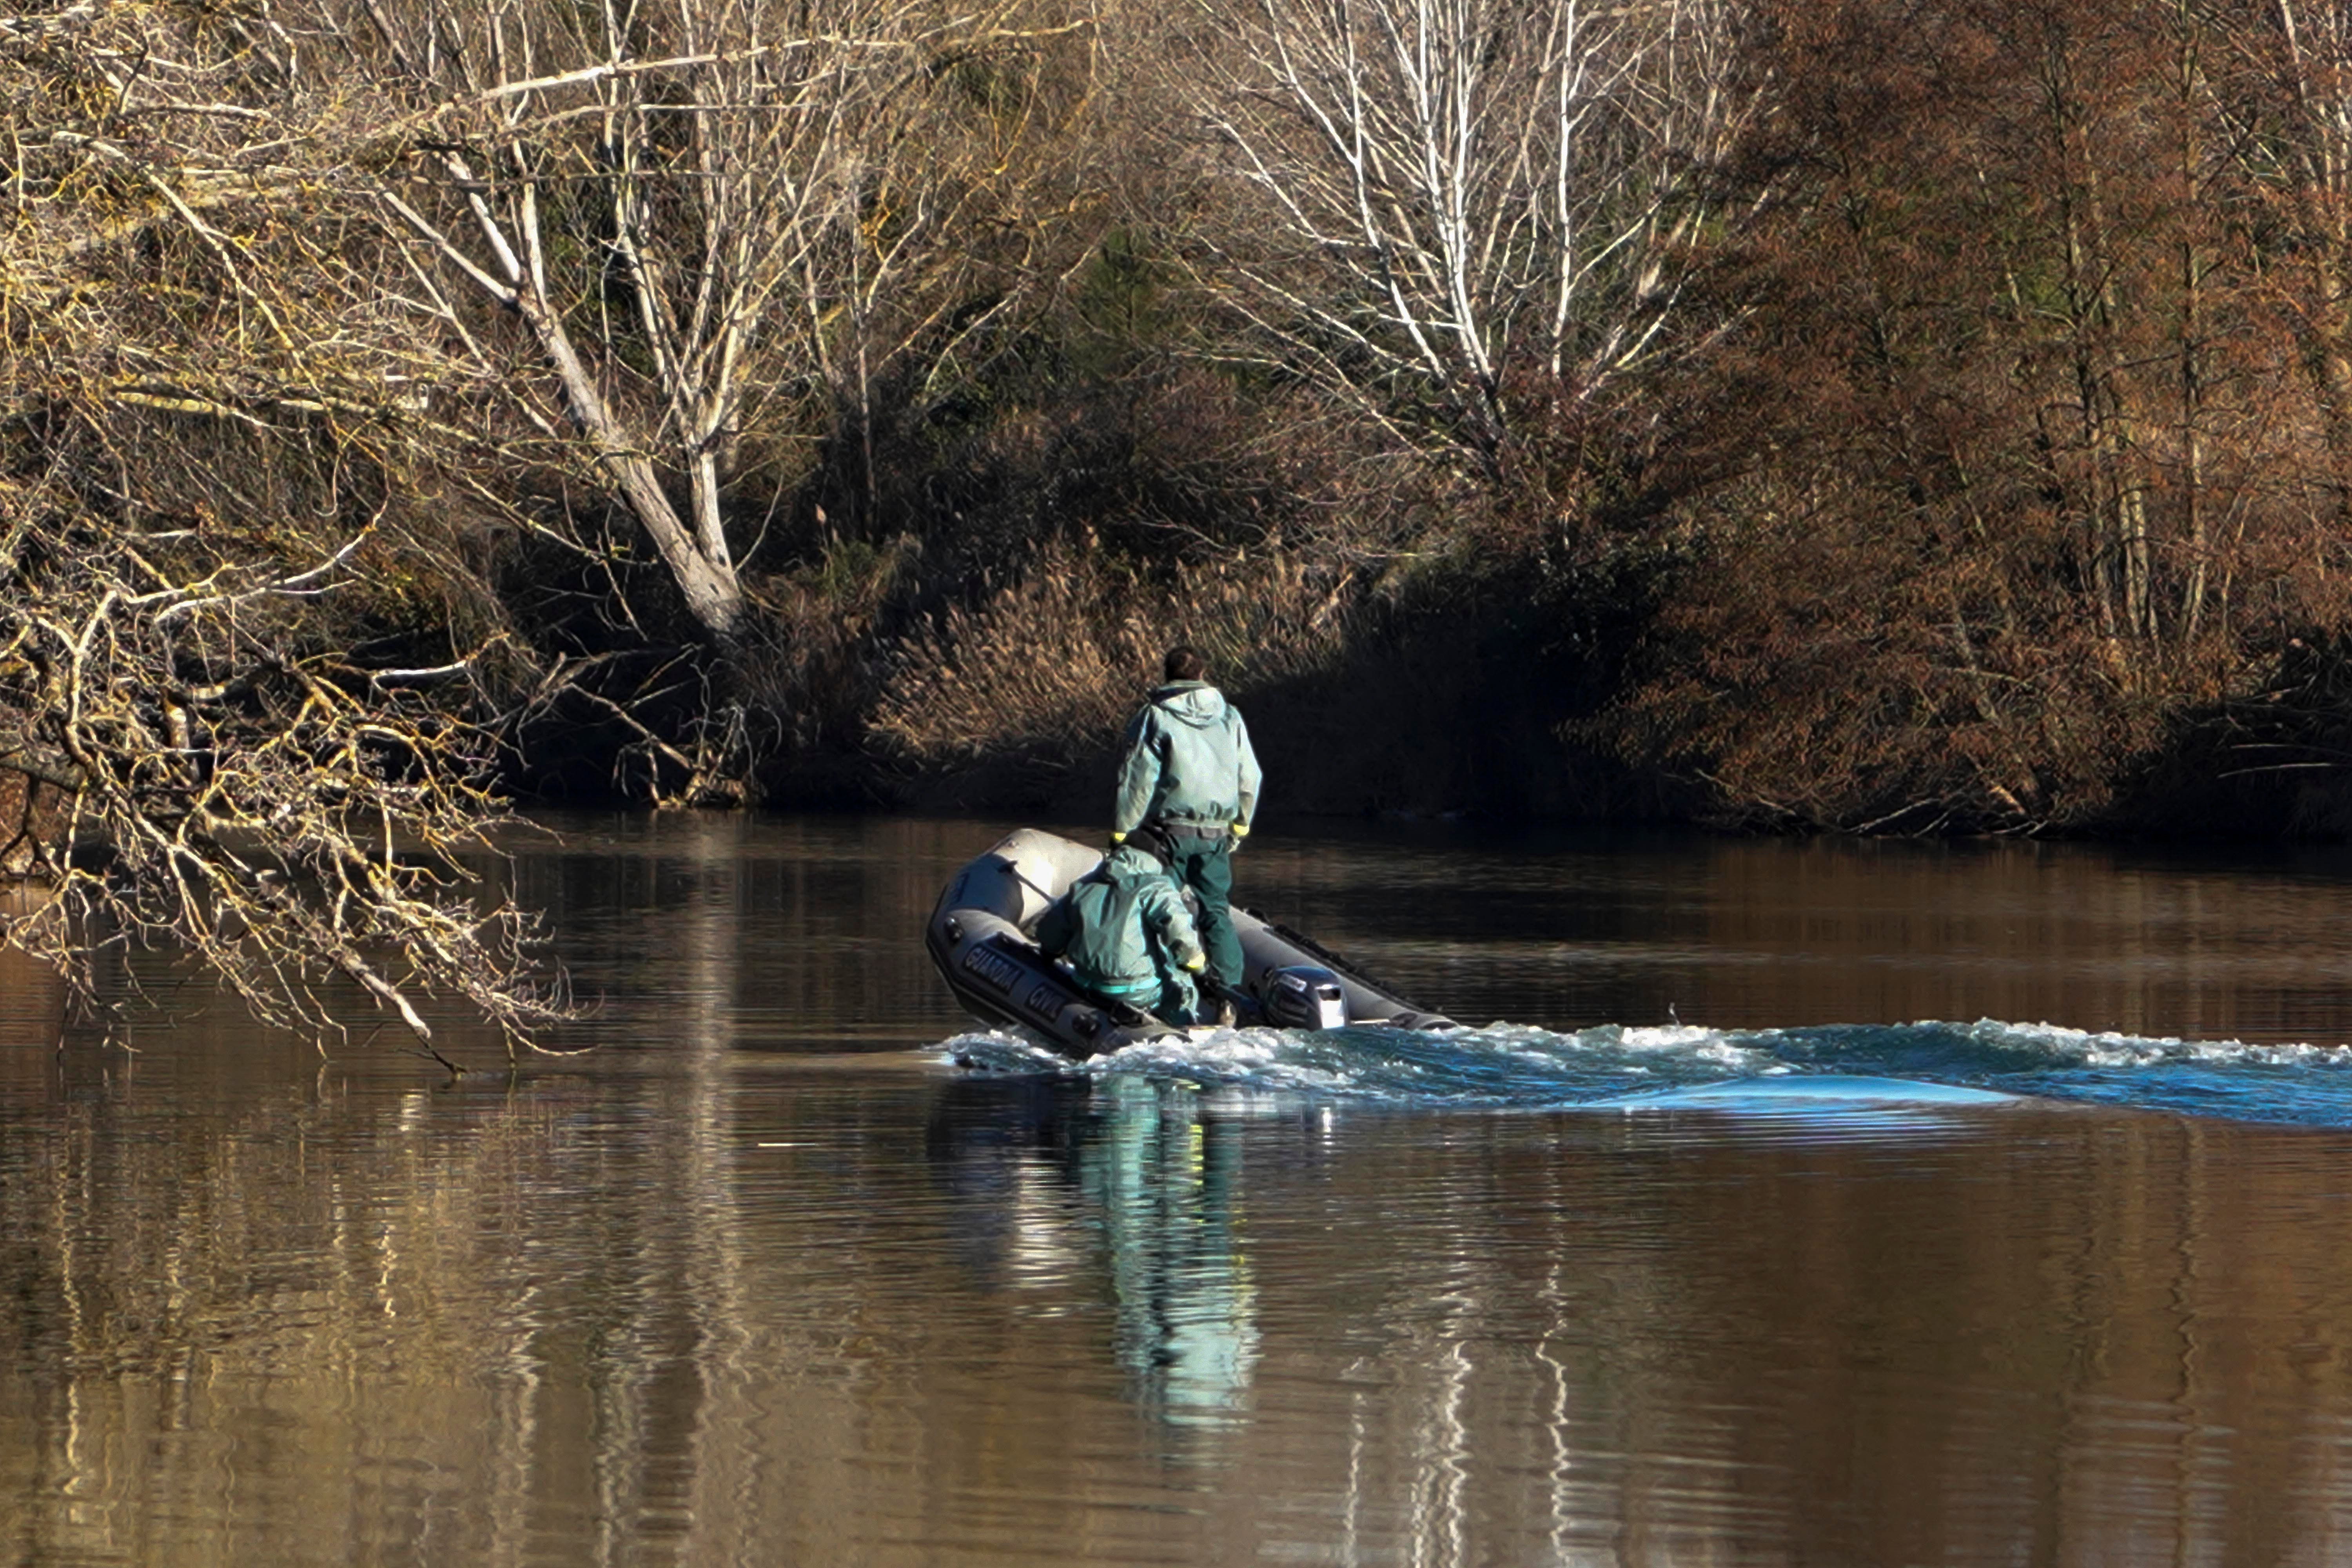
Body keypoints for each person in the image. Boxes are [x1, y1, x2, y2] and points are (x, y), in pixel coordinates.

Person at [1112, 646, 1260, 1024]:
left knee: (1161, 907)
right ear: (1203, 673)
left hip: (1168, 833)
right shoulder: (1230, 716)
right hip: (1216, 833)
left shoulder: (1155, 716)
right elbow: (1250, 776)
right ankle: (1228, 996)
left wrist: (1121, 831)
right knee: (1215, 911)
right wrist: (1240, 824)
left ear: (1167, 676)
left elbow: (1137, 778)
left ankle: (1171, 996)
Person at [1036, 834, 1210, 1025]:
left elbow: (1050, 936)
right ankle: (1183, 1026)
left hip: (1087, 982)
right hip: (1138, 991)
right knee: (1182, 982)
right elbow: (1181, 935)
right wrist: (1201, 971)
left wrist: (1048, 954)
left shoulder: (1083, 887)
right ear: (1156, 861)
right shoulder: (1156, 887)